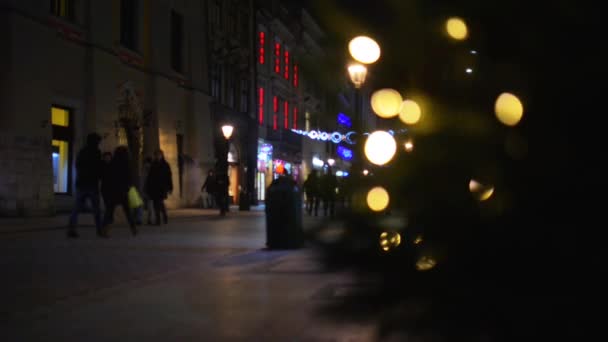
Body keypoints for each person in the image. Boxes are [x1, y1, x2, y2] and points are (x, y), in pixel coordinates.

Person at [67, 133, 104, 238]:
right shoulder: (96, 152)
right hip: (92, 184)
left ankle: (71, 229)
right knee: (96, 209)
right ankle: (99, 230)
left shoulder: (82, 152)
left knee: (76, 208)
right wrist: (99, 176)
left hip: (81, 183)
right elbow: (98, 168)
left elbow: (77, 165)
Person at [102, 146, 137, 236]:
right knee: (127, 211)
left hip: (113, 190)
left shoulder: (112, 163)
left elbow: (108, 177)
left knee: (109, 210)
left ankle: (105, 228)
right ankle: (133, 228)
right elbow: (129, 177)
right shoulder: (126, 163)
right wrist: (129, 186)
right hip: (123, 191)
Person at [145, 149, 173, 225]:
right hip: (154, 187)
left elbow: (169, 177)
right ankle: (160, 219)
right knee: (156, 203)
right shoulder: (153, 165)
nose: (157, 156)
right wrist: (147, 187)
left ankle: (162, 218)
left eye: (159, 155)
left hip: (162, 187)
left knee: (159, 202)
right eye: (156, 155)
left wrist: (170, 187)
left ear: (162, 155)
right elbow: (150, 177)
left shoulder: (165, 165)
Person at [100, 151, 113, 224]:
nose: (107, 159)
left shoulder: (112, 165)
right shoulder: (102, 165)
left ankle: (108, 219)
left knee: (109, 205)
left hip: (111, 188)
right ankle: (108, 219)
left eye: (109, 157)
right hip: (104, 188)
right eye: (106, 157)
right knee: (107, 204)